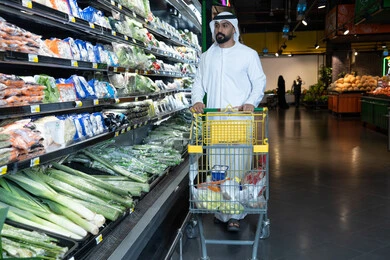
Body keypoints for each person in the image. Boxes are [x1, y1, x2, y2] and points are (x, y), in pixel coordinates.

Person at [191, 12, 266, 232]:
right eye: (217, 26)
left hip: (240, 122)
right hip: (215, 122)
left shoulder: (248, 54)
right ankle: (221, 211)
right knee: (218, 169)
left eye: (225, 25)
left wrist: (252, 102)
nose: (220, 30)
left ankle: (235, 214)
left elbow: (259, 81)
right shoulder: (206, 56)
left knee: (238, 167)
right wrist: (197, 100)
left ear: (234, 28)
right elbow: (198, 83)